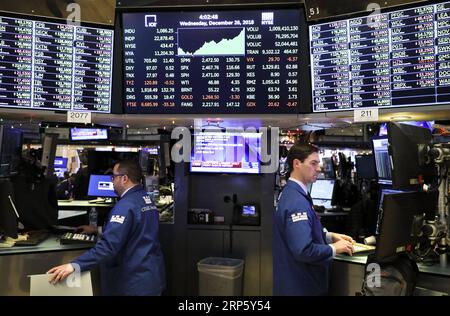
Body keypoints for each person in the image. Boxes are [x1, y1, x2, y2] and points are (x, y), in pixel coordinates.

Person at [47, 160, 166, 296]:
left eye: (113, 177)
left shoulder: (125, 206)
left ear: (124, 179)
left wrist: (74, 265)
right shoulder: (145, 199)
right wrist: (96, 230)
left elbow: (108, 247)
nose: (112, 181)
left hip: (133, 283)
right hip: (151, 277)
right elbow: (136, 230)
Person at [273, 142, 354, 296]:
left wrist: (328, 237)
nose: (318, 168)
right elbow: (303, 250)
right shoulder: (296, 201)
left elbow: (300, 233)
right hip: (301, 287)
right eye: (313, 163)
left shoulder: (294, 192)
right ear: (297, 164)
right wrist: (335, 248)